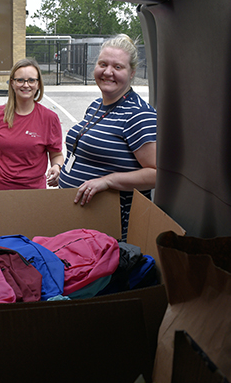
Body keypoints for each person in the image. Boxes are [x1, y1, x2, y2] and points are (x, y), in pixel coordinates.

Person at [58, 34, 157, 242]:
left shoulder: (138, 114)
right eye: (102, 64)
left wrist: (109, 181)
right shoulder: (96, 105)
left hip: (110, 230)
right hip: (81, 222)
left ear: (132, 73)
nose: (108, 72)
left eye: (118, 67)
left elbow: (158, 174)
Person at [0, 58, 64, 190]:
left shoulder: (49, 118)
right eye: (20, 80)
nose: (26, 85)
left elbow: (56, 154)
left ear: (38, 84)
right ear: (12, 83)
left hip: (31, 193)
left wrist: (57, 167)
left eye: (31, 80)